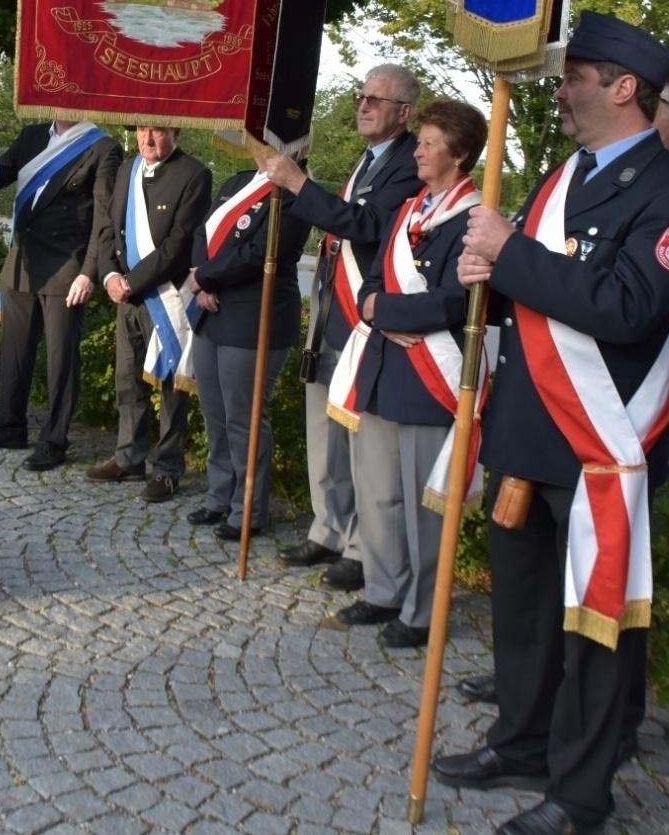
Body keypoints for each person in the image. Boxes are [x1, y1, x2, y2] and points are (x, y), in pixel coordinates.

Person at [432, 11, 669, 835]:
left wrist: (511, 251)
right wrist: (482, 269)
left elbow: (626, 308)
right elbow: (531, 293)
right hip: (528, 427)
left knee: (597, 632)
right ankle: (521, 742)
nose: (560, 92)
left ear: (623, 88)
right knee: (522, 613)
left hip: (603, 442)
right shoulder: (566, 177)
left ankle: (582, 792)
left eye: (575, 78)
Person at [321, 98, 487, 649]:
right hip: (384, 368)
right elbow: (372, 281)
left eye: (429, 143)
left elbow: (453, 304)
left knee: (423, 509)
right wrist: (376, 308)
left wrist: (382, 311)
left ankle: (421, 611)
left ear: (459, 155)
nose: (417, 150)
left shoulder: (473, 219)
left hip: (429, 381)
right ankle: (383, 589)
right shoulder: (410, 209)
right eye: (419, 142)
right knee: (379, 496)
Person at [259, 64, 424, 594]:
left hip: (365, 324)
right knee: (323, 438)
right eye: (361, 95)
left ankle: (359, 548)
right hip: (332, 317)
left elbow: (368, 226)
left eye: (377, 99)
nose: (363, 105)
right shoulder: (368, 159)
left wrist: (299, 183)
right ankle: (328, 528)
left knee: (358, 444)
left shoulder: (408, 163)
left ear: (405, 111)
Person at [0, 116, 121, 471]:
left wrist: (88, 272)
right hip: (23, 262)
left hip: (67, 266)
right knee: (14, 350)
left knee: (60, 357)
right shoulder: (33, 135)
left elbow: (104, 220)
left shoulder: (102, 147)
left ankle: (54, 439)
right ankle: (9, 426)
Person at [186, 164, 313, 540]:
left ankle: (248, 510)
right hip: (210, 309)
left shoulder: (295, 191)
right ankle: (219, 497)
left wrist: (205, 277)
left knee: (245, 419)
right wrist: (200, 281)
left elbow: (261, 252)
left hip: (255, 316)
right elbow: (202, 231)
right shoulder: (238, 179)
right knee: (216, 415)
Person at [88, 124, 212, 503]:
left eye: (157, 131)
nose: (148, 139)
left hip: (166, 293)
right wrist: (109, 274)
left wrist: (131, 281)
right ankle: (129, 457)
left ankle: (169, 469)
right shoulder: (127, 168)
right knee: (128, 379)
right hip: (127, 295)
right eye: (142, 130)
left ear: (176, 131)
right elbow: (108, 228)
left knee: (171, 385)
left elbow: (178, 243)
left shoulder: (195, 174)